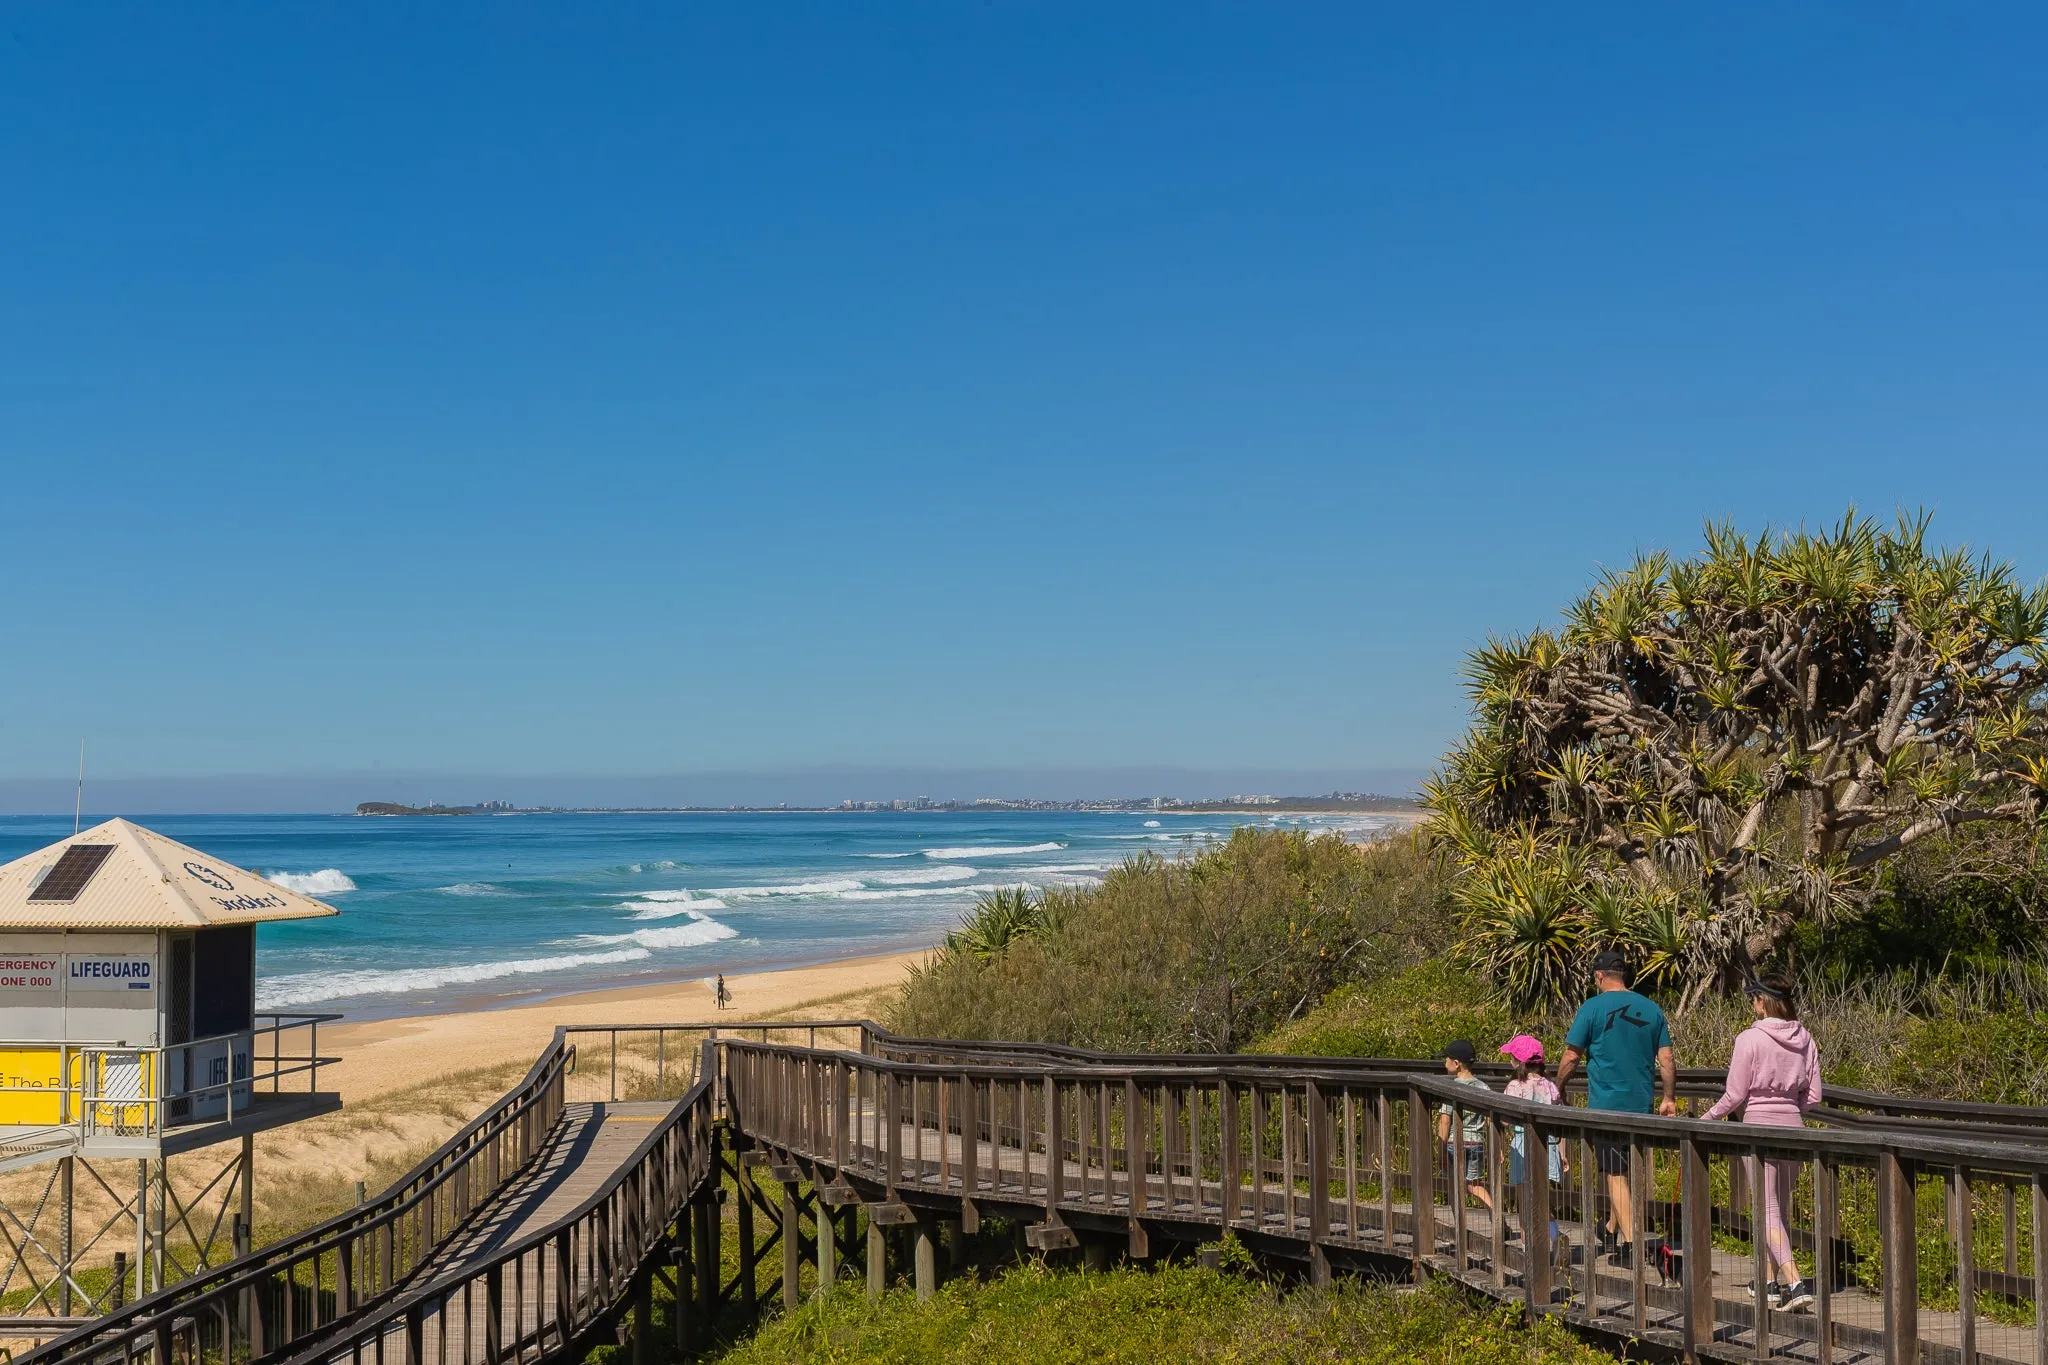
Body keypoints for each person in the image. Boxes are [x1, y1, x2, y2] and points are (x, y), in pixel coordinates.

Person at [1701, 972, 1823, 1313]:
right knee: (1778, 1209)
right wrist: (1789, 1108)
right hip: (1793, 1129)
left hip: (1757, 1127)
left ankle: (1795, 1283)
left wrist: (1706, 1119)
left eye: (1753, 998)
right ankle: (1768, 1285)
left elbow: (1735, 1094)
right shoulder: (1806, 1038)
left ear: (1761, 1000)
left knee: (1766, 1209)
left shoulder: (1749, 1039)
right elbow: (1813, 1096)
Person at [1555, 950, 1676, 1266]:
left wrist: (1560, 1087)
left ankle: (1632, 1247)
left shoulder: (1592, 1008)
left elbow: (1571, 1057)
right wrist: (1669, 1097)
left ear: (1598, 976)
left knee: (1613, 1173)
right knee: (1621, 1170)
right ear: (1623, 975)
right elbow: (1666, 1058)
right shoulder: (1651, 1009)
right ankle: (1609, 1228)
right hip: (1640, 1105)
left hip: (1607, 1106)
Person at [1500, 1034, 1568, 1253]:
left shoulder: (1514, 1086)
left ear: (1518, 1061)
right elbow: (1560, 1118)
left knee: (1523, 1197)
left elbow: (1504, 1118)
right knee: (1542, 1197)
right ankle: (1554, 1235)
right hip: (1548, 1144)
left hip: (1522, 1143)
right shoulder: (1550, 1086)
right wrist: (1563, 1151)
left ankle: (1528, 1245)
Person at [1434, 1039, 1494, 1211]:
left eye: (1446, 1059)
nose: (1444, 1063)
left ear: (1456, 1063)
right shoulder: (1483, 1087)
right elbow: (1490, 1120)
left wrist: (1441, 1149)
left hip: (1455, 1143)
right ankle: (1494, 1213)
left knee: (1454, 1186)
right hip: (1477, 1142)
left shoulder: (1451, 1088)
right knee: (1474, 1184)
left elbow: (1445, 1121)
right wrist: (1497, 1148)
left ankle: (1459, 1227)